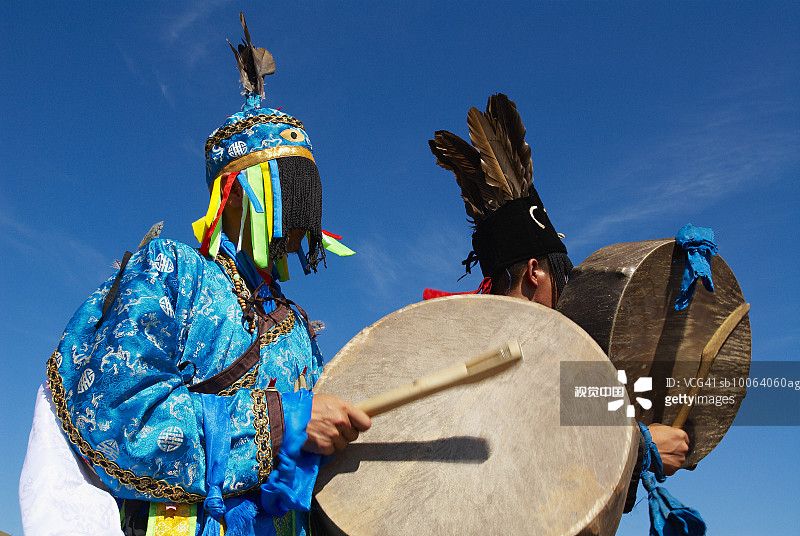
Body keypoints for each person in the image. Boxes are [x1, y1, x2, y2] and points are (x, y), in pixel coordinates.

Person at [20, 14, 368, 536]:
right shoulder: (171, 273)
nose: (302, 226)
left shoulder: (297, 331)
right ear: (235, 194)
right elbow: (116, 415)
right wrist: (278, 424)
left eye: (308, 207)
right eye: (289, 199)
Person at [426, 93, 690, 511]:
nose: (566, 294)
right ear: (535, 271)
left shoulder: (444, 339)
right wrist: (638, 444)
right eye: (561, 278)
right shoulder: (494, 354)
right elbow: (513, 446)